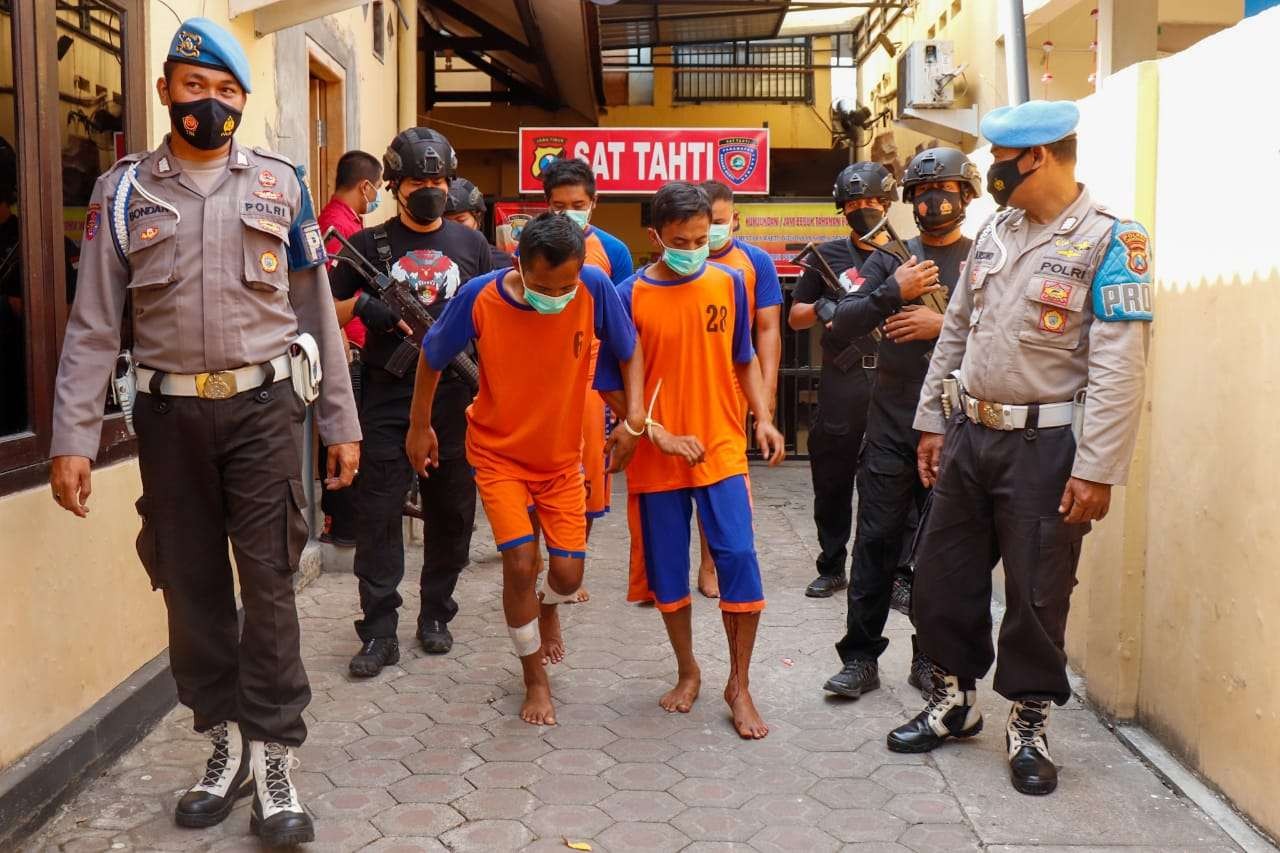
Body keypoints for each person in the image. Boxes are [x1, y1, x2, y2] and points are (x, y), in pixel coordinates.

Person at [47, 18, 360, 845]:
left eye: (226, 92)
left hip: (264, 412)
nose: (209, 105)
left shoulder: (282, 187)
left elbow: (315, 312)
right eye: (195, 87)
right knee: (191, 590)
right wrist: (71, 437)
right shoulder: (123, 195)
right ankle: (223, 746)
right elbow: (91, 327)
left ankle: (276, 758)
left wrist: (340, 421)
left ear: (242, 102)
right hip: (169, 416)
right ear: (165, 93)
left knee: (268, 587)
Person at [886, 101, 1152, 798]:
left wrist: (1097, 469)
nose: (990, 173)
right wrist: (932, 420)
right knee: (942, 577)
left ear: (1034, 157)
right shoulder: (996, 232)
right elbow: (957, 332)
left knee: (1037, 593)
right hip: (970, 434)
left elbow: (1120, 367)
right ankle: (953, 702)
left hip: (1045, 445)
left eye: (999, 160)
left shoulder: (1110, 242)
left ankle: (1029, 722)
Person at [406, 212, 645, 724]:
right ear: (518, 263)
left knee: (567, 572)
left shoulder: (596, 287)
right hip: (498, 455)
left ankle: (549, 608)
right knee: (520, 564)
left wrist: (636, 418)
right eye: (543, 285)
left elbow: (629, 352)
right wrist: (419, 427)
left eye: (567, 285)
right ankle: (535, 679)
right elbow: (431, 355)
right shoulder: (479, 295)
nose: (556, 296)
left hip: (560, 458)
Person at [599, 182, 786, 739]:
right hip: (657, 460)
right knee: (667, 573)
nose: (693, 249)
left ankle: (740, 684)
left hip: (723, 447)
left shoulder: (730, 282)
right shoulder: (628, 294)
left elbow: (744, 356)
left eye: (703, 239)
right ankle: (688, 670)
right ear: (655, 237)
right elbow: (608, 382)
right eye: (681, 240)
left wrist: (765, 416)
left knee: (737, 558)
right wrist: (655, 433)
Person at [329, 127, 493, 671]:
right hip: (386, 395)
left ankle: (436, 614)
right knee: (376, 513)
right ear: (394, 184)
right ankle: (378, 630)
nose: (431, 188)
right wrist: (363, 310)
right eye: (419, 179)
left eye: (439, 179)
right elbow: (323, 312)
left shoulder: (472, 245)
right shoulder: (368, 244)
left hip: (453, 397)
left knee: (452, 512)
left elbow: (497, 318)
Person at [821, 148, 979, 701]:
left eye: (950, 191)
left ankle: (931, 660)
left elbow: (1008, 335)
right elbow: (841, 321)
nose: (937, 201)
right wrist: (895, 291)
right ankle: (860, 657)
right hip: (891, 426)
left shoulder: (984, 259)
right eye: (926, 191)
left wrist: (943, 323)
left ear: (968, 196)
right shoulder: (891, 259)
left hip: (959, 431)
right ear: (910, 200)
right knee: (875, 544)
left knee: (943, 554)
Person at [788, 162, 896, 599]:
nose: (863, 209)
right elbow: (795, 317)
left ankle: (885, 574)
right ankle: (832, 565)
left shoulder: (906, 255)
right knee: (832, 481)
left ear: (887, 204)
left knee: (888, 484)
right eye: (854, 203)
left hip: (893, 384)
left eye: (871, 201)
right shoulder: (826, 255)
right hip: (842, 382)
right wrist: (826, 308)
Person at [541, 158, 633, 547]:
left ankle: (574, 553)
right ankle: (538, 558)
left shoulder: (613, 250)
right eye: (559, 206)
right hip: (542, 371)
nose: (568, 214)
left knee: (591, 467)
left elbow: (624, 324)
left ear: (593, 202)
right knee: (539, 464)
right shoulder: (532, 246)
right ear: (547, 204)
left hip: (593, 378)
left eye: (577, 205)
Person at [316, 149, 383, 547]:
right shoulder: (335, 227)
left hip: (356, 346)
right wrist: (340, 346)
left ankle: (350, 524)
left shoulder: (349, 224)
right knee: (343, 440)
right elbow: (324, 296)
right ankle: (339, 527)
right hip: (344, 351)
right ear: (366, 186)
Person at [443, 175, 513, 269]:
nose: (454, 228)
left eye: (460, 220)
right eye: (446, 221)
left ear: (477, 218)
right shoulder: (429, 259)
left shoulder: (502, 263)